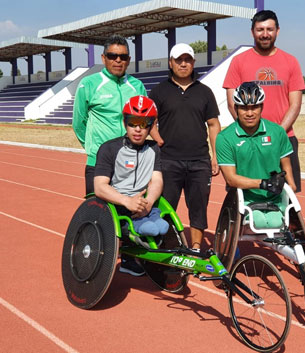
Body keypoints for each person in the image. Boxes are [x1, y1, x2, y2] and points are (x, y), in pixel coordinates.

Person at [149, 43, 221, 252]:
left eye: (187, 60)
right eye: (178, 60)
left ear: (193, 62)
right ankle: (167, 246)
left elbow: (214, 124)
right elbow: (149, 121)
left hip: (199, 160)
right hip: (168, 161)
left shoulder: (204, 92)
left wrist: (215, 156)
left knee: (198, 208)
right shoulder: (159, 91)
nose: (183, 64)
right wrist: (159, 141)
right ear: (170, 63)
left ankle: (196, 247)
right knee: (165, 207)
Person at [223, 10, 305, 192]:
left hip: (284, 139)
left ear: (278, 31)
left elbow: (295, 104)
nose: (265, 34)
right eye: (260, 29)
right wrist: (253, 134)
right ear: (252, 32)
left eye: (270, 29)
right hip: (246, 141)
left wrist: (276, 135)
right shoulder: (238, 62)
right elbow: (231, 103)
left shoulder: (291, 62)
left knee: (287, 194)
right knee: (243, 194)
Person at [94, 95, 167, 276]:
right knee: (138, 222)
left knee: (161, 224)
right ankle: (128, 248)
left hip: (144, 204)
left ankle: (142, 245)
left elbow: (157, 180)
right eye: (133, 122)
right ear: (125, 122)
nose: (137, 129)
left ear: (151, 126)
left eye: (144, 124)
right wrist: (127, 201)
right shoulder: (109, 148)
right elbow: (99, 186)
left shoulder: (153, 149)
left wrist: (148, 202)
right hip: (118, 204)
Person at [73, 34, 147, 195]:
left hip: (131, 162)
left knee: (131, 214)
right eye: (113, 56)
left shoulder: (137, 86)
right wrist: (94, 149)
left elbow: (145, 121)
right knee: (97, 215)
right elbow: (79, 123)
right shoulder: (89, 84)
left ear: (128, 59)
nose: (118, 60)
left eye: (123, 56)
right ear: (104, 58)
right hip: (98, 163)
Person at [216, 82, 296, 228]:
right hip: (244, 199)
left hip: (275, 198)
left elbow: (286, 165)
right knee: (258, 221)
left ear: (262, 107)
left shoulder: (277, 132)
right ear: (236, 108)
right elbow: (231, 179)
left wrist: (291, 188)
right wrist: (263, 183)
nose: (250, 113)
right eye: (244, 108)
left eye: (254, 107)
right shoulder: (224, 138)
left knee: (276, 222)